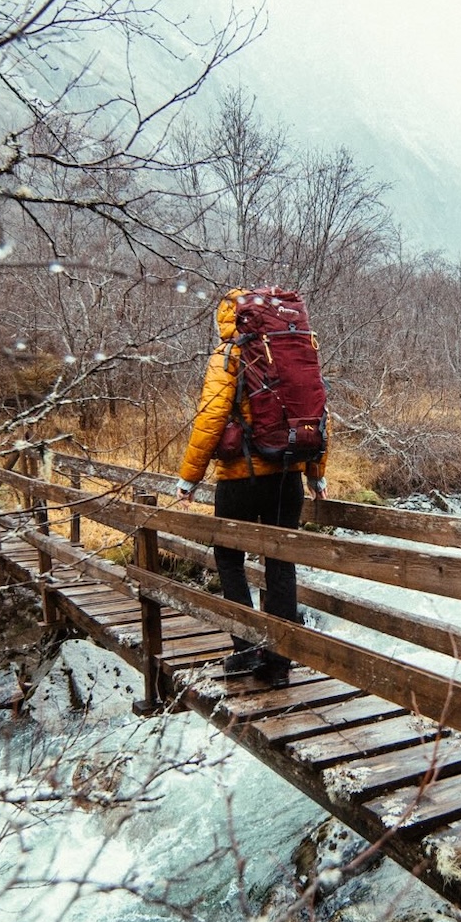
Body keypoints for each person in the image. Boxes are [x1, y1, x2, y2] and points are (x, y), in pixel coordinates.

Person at [175, 289, 328, 686]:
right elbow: (315, 412)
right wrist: (316, 473)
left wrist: (189, 478)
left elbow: (210, 418)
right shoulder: (296, 347)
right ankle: (278, 665)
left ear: (230, 318)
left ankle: (244, 650)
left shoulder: (229, 354)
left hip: (241, 478)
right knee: (280, 564)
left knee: (229, 559)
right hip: (288, 475)